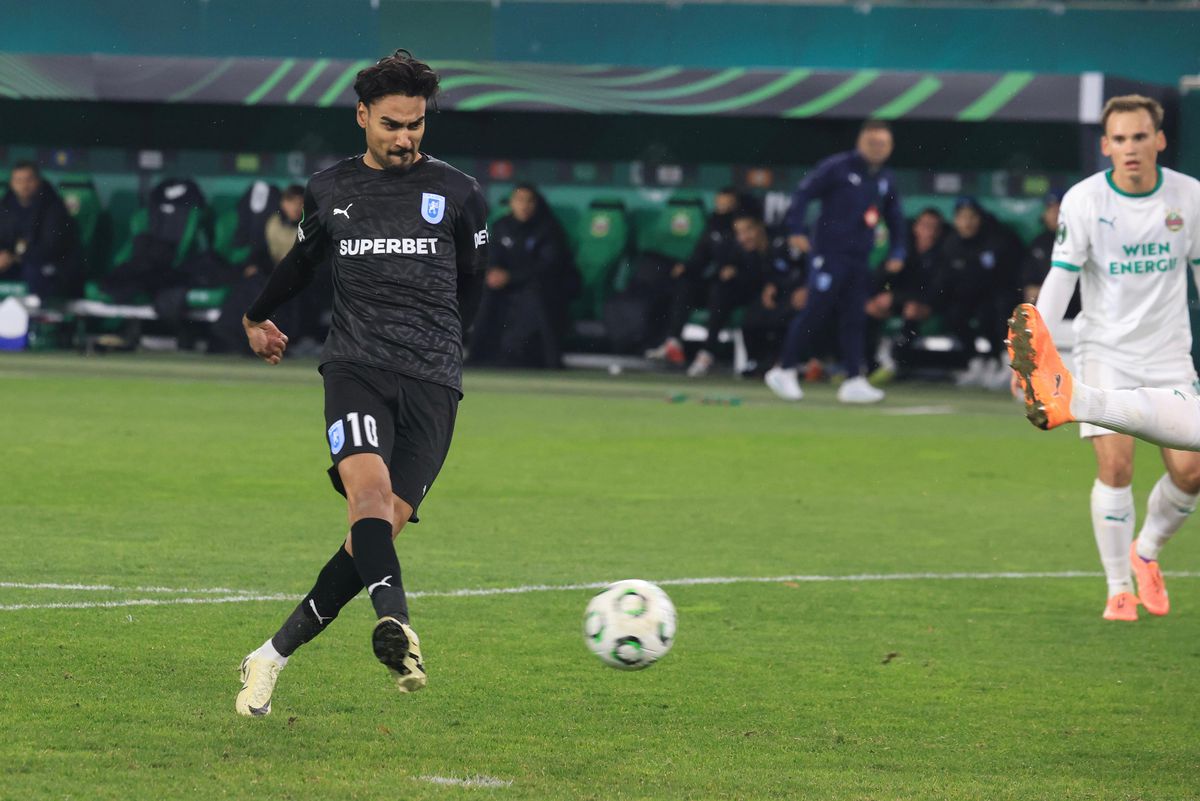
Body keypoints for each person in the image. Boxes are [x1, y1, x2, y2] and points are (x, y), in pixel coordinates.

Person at [233, 50, 489, 715]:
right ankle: (396, 621)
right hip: (355, 368)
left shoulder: (460, 193)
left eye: (415, 124)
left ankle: (270, 656)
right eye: (391, 124)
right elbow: (301, 263)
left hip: (434, 382)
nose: (404, 138)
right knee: (367, 496)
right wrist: (257, 316)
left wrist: (445, 350)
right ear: (362, 117)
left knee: (373, 536)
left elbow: (472, 288)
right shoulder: (330, 189)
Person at [1011, 93, 1200, 622]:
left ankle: (1147, 552)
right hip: (1105, 352)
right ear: (1105, 146)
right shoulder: (1085, 200)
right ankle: (1118, 588)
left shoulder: (1190, 196)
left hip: (1169, 355)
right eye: (1119, 139)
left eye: (1139, 136)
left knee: (1192, 473)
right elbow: (1062, 277)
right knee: (1116, 467)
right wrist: (1034, 355)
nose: (1130, 147)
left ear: (1159, 140)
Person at [764, 120, 906, 404]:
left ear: (890, 147)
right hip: (829, 254)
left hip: (859, 257)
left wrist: (898, 251)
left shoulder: (885, 177)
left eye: (883, 144)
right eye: (872, 143)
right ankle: (784, 369)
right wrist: (795, 230)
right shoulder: (837, 167)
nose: (877, 149)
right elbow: (803, 194)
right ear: (860, 142)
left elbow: (895, 216)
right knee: (816, 309)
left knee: (855, 317)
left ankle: (854, 379)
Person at [468, 183, 577, 368]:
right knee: (484, 291)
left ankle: (552, 360)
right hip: (507, 285)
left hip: (539, 285)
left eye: (529, 201)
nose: (524, 206)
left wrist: (511, 277)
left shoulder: (548, 228)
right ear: (511, 203)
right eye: (520, 200)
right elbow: (492, 256)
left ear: (536, 204)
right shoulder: (501, 226)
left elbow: (548, 266)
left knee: (538, 295)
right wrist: (493, 273)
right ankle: (476, 356)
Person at [683, 211, 788, 377]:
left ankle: (778, 363)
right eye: (739, 232)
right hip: (748, 296)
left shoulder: (777, 245)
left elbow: (784, 274)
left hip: (777, 297)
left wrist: (773, 285)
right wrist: (732, 271)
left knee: (763, 312)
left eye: (748, 230)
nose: (744, 237)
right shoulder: (737, 249)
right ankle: (707, 353)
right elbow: (727, 271)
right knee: (720, 293)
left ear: (759, 228)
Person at [932, 197, 1022, 390]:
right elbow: (945, 279)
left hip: (999, 294)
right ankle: (976, 362)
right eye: (962, 217)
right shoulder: (951, 243)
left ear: (980, 218)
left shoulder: (997, 238)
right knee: (953, 313)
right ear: (955, 220)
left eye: (971, 217)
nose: (967, 223)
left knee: (995, 312)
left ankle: (1006, 363)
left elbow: (1006, 275)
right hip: (970, 296)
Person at [645, 187, 741, 365]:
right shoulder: (713, 224)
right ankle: (673, 342)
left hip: (737, 286)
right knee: (685, 283)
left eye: (727, 205)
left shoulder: (742, 226)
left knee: (719, 290)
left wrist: (736, 268)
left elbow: (752, 256)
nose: (722, 209)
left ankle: (707, 353)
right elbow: (700, 255)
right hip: (715, 282)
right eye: (720, 204)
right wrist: (686, 267)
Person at [865, 207, 942, 384]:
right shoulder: (903, 250)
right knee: (872, 306)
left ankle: (897, 362)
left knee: (912, 309)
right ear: (916, 227)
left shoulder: (943, 253)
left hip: (929, 304)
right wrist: (888, 271)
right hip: (900, 300)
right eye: (925, 226)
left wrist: (896, 297)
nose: (929, 231)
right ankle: (868, 363)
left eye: (934, 227)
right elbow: (879, 280)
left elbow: (936, 291)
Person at [0, 161, 81, 299]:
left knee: (34, 270)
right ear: (12, 184)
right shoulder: (5, 207)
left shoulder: (54, 207)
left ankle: (39, 312)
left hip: (52, 266)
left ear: (38, 181)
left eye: (29, 180)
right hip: (17, 262)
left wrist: (14, 258)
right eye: (18, 180)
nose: (24, 185)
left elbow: (50, 248)